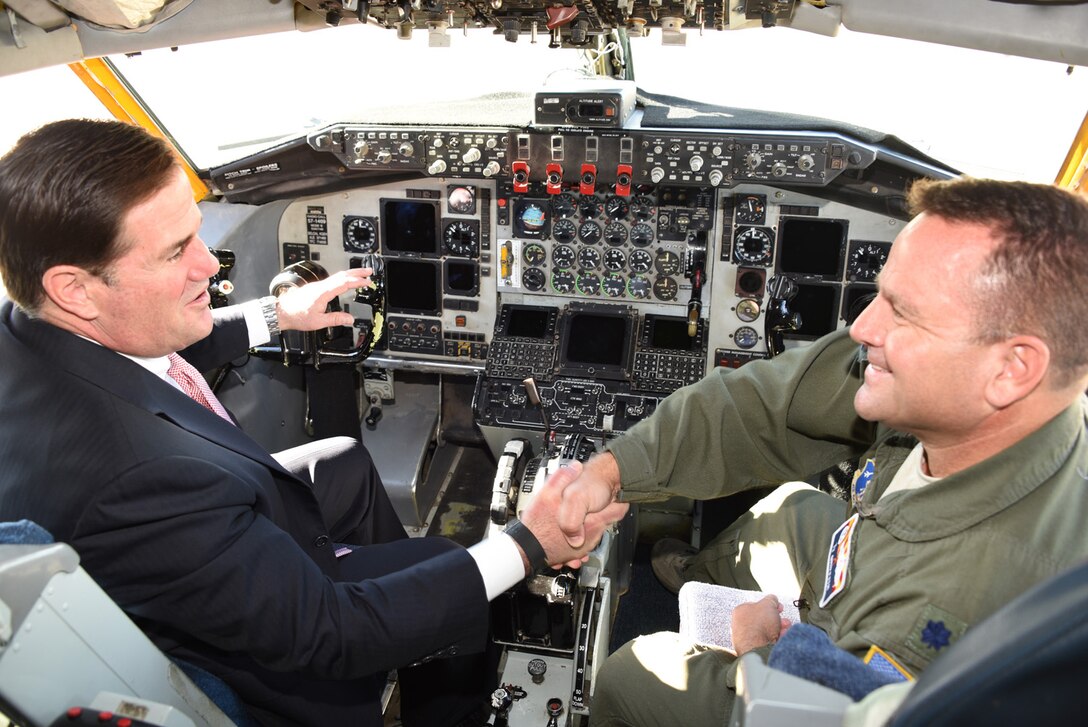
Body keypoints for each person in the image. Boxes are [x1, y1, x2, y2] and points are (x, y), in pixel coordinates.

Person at [0, 119, 627, 727]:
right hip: (266, 642)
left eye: (196, 235)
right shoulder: (140, 480)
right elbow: (333, 631)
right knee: (451, 571)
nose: (210, 267)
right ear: (75, 289)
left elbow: (148, 350)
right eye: (174, 254)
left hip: (198, 535)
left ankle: (387, 586)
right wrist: (526, 542)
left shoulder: (30, 330)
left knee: (344, 463)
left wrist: (276, 316)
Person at [555, 176, 1088, 725]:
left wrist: (761, 652)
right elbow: (769, 406)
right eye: (879, 294)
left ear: (1012, 369)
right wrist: (616, 469)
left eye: (902, 312)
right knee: (794, 507)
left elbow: (816, 716)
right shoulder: (990, 404)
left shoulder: (943, 610)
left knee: (631, 673)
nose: (862, 326)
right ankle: (698, 579)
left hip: (857, 682)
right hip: (877, 549)